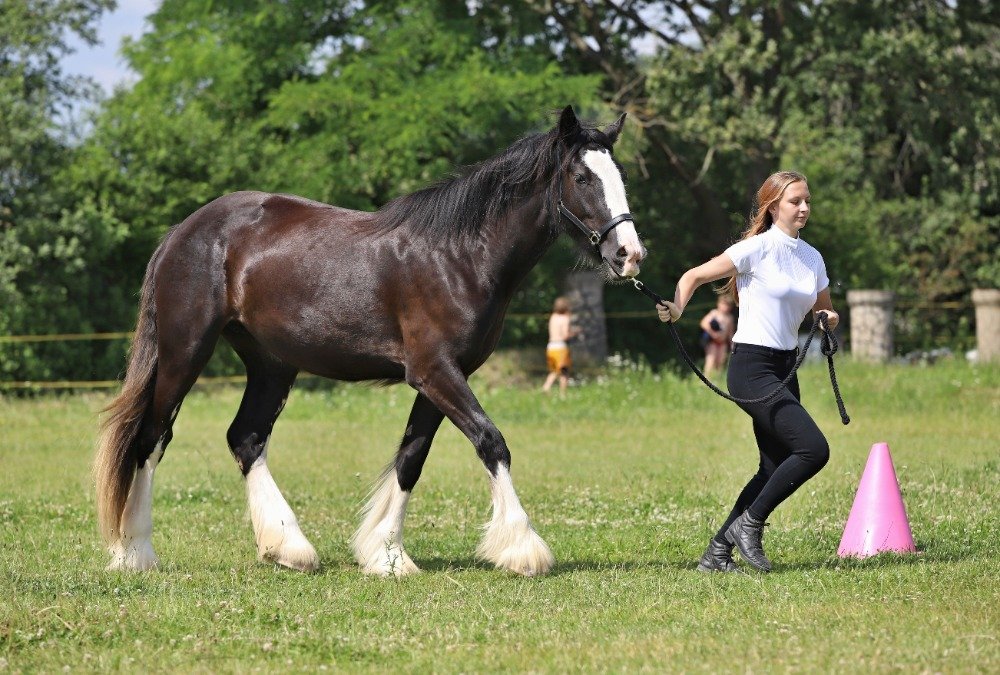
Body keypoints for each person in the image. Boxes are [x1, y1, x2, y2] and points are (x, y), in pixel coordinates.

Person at [656, 170, 840, 573]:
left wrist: (828, 318)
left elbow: (822, 307)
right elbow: (694, 275)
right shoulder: (754, 249)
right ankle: (750, 526)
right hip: (751, 368)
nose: (805, 208)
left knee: (774, 466)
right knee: (813, 450)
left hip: (787, 367)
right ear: (774, 206)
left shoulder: (812, 257)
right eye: (796, 201)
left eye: (808, 200)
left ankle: (716, 554)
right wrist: (678, 308)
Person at [542, 296, 581, 397]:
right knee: (564, 372)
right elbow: (564, 335)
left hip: (550, 346)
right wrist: (575, 333)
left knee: (554, 371)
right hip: (560, 347)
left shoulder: (553, 316)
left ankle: (546, 387)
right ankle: (563, 395)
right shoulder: (565, 318)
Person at [699, 295, 736, 376]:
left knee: (720, 362)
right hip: (713, 342)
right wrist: (712, 333)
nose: (725, 307)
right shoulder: (714, 313)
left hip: (723, 343)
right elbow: (703, 323)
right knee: (710, 361)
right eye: (723, 304)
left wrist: (732, 345)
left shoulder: (729, 317)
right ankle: (705, 380)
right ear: (718, 304)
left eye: (727, 305)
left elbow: (730, 333)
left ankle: (716, 381)